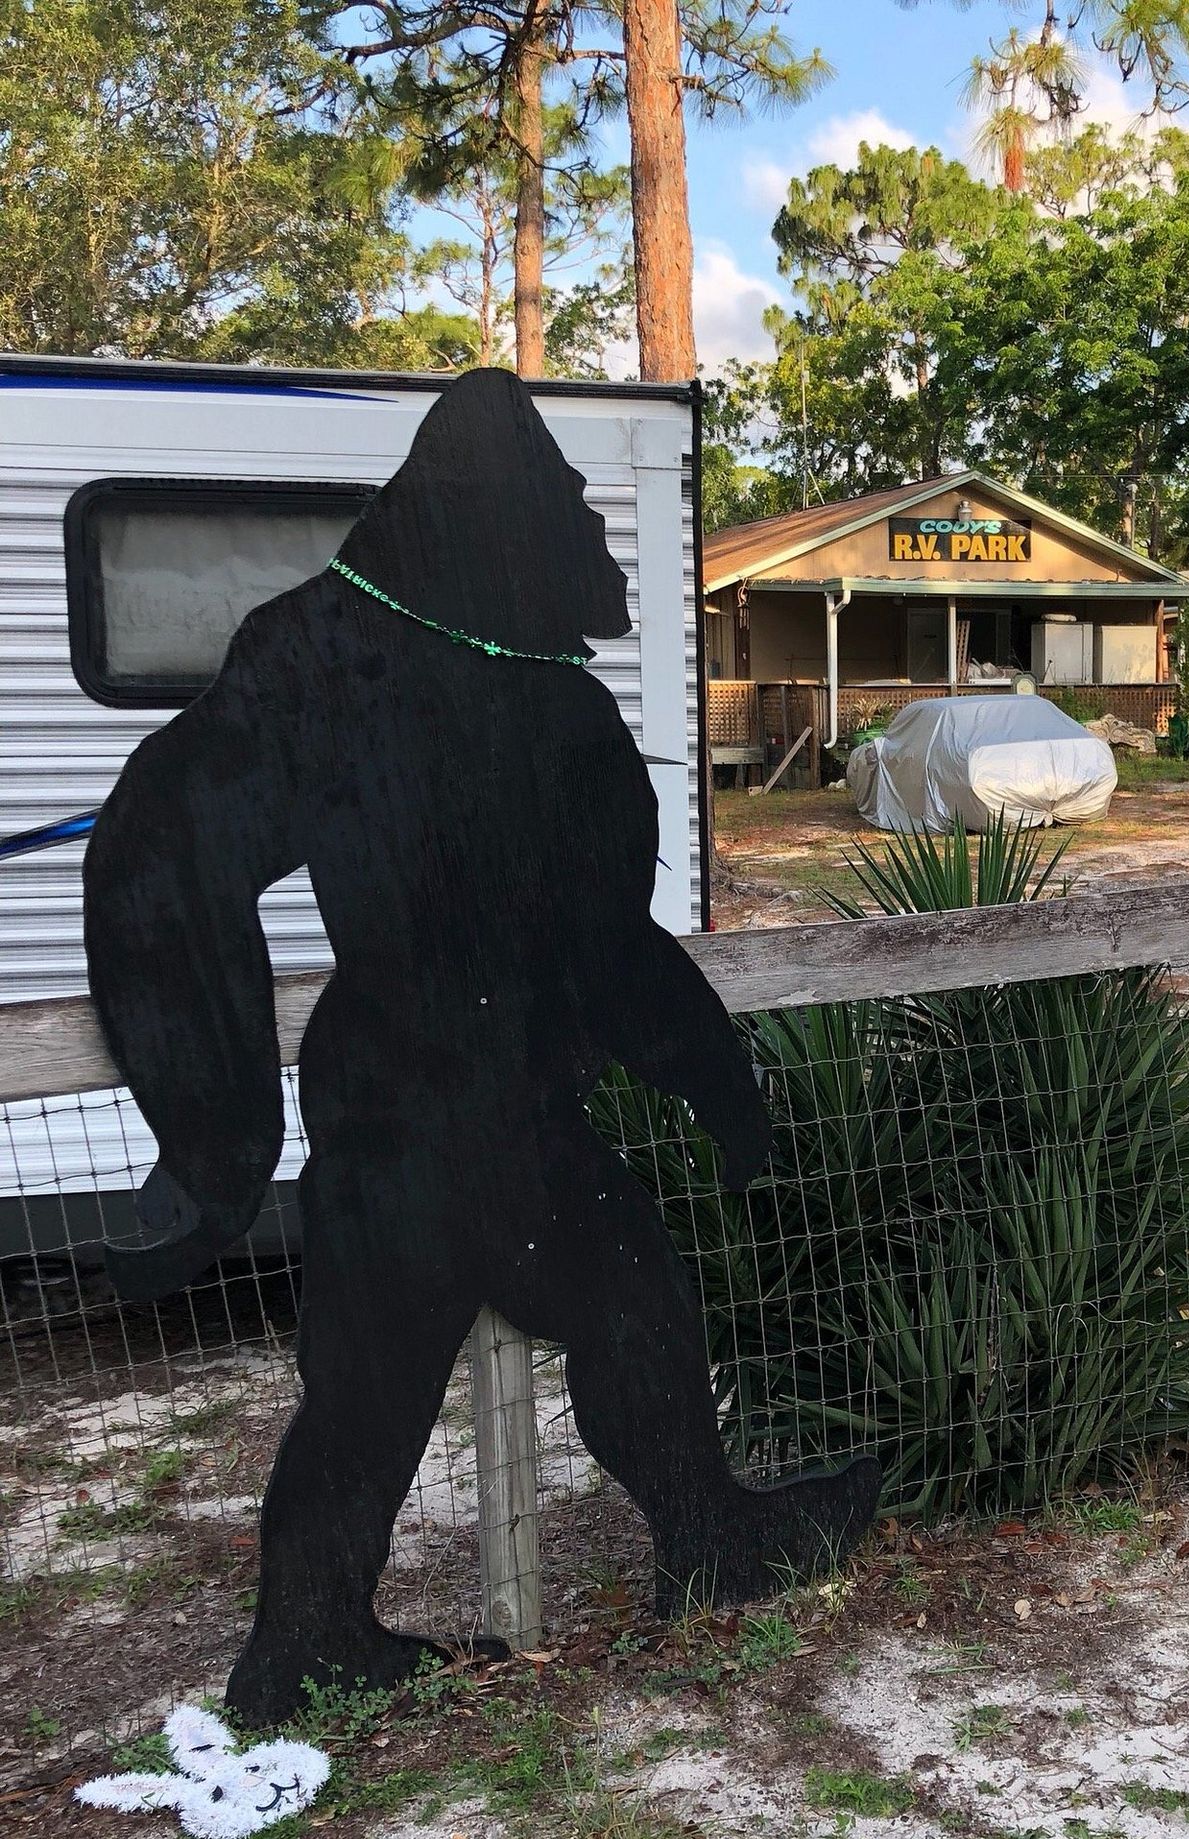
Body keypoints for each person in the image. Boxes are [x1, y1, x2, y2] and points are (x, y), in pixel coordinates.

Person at [84, 370, 879, 1727]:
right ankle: (332, 1634)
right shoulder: (334, 654)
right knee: (413, 1379)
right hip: (434, 1110)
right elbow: (164, 849)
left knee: (579, 1315)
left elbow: (596, 941)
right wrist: (213, 1136)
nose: (588, 526)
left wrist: (705, 1075)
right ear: (512, 516)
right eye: (565, 498)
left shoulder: (431, 670)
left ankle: (684, 1542)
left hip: (453, 1110)